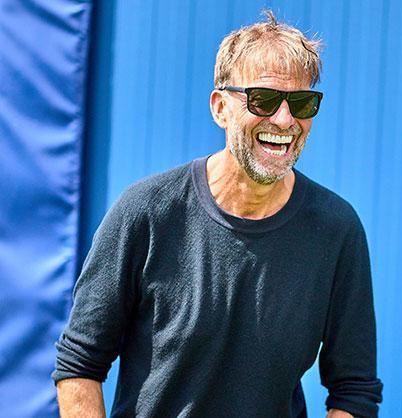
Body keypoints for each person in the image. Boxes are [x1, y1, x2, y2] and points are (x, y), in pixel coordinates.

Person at [53, 10, 383, 418]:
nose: (285, 120)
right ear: (220, 108)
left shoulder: (336, 230)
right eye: (263, 99)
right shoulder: (146, 213)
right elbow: (79, 363)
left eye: (301, 102)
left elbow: (354, 389)